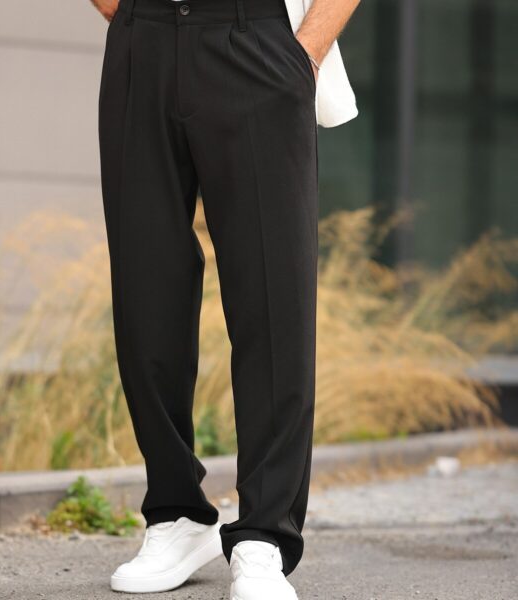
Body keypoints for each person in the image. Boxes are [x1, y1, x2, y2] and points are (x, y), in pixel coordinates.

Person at [91, 0, 360, 597]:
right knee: (144, 292)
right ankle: (175, 513)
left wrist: (305, 54)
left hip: (256, 41)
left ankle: (265, 534)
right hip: (142, 43)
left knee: (272, 299)